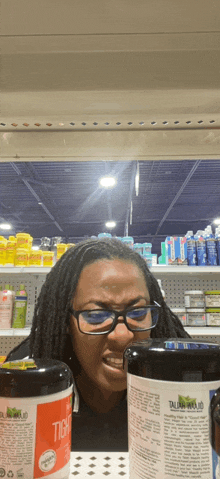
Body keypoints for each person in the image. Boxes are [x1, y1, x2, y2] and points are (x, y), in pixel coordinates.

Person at [6, 238, 190, 451]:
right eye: (96, 315)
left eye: (138, 313)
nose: (122, 336)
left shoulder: (181, 375)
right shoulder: (26, 376)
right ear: (65, 321)